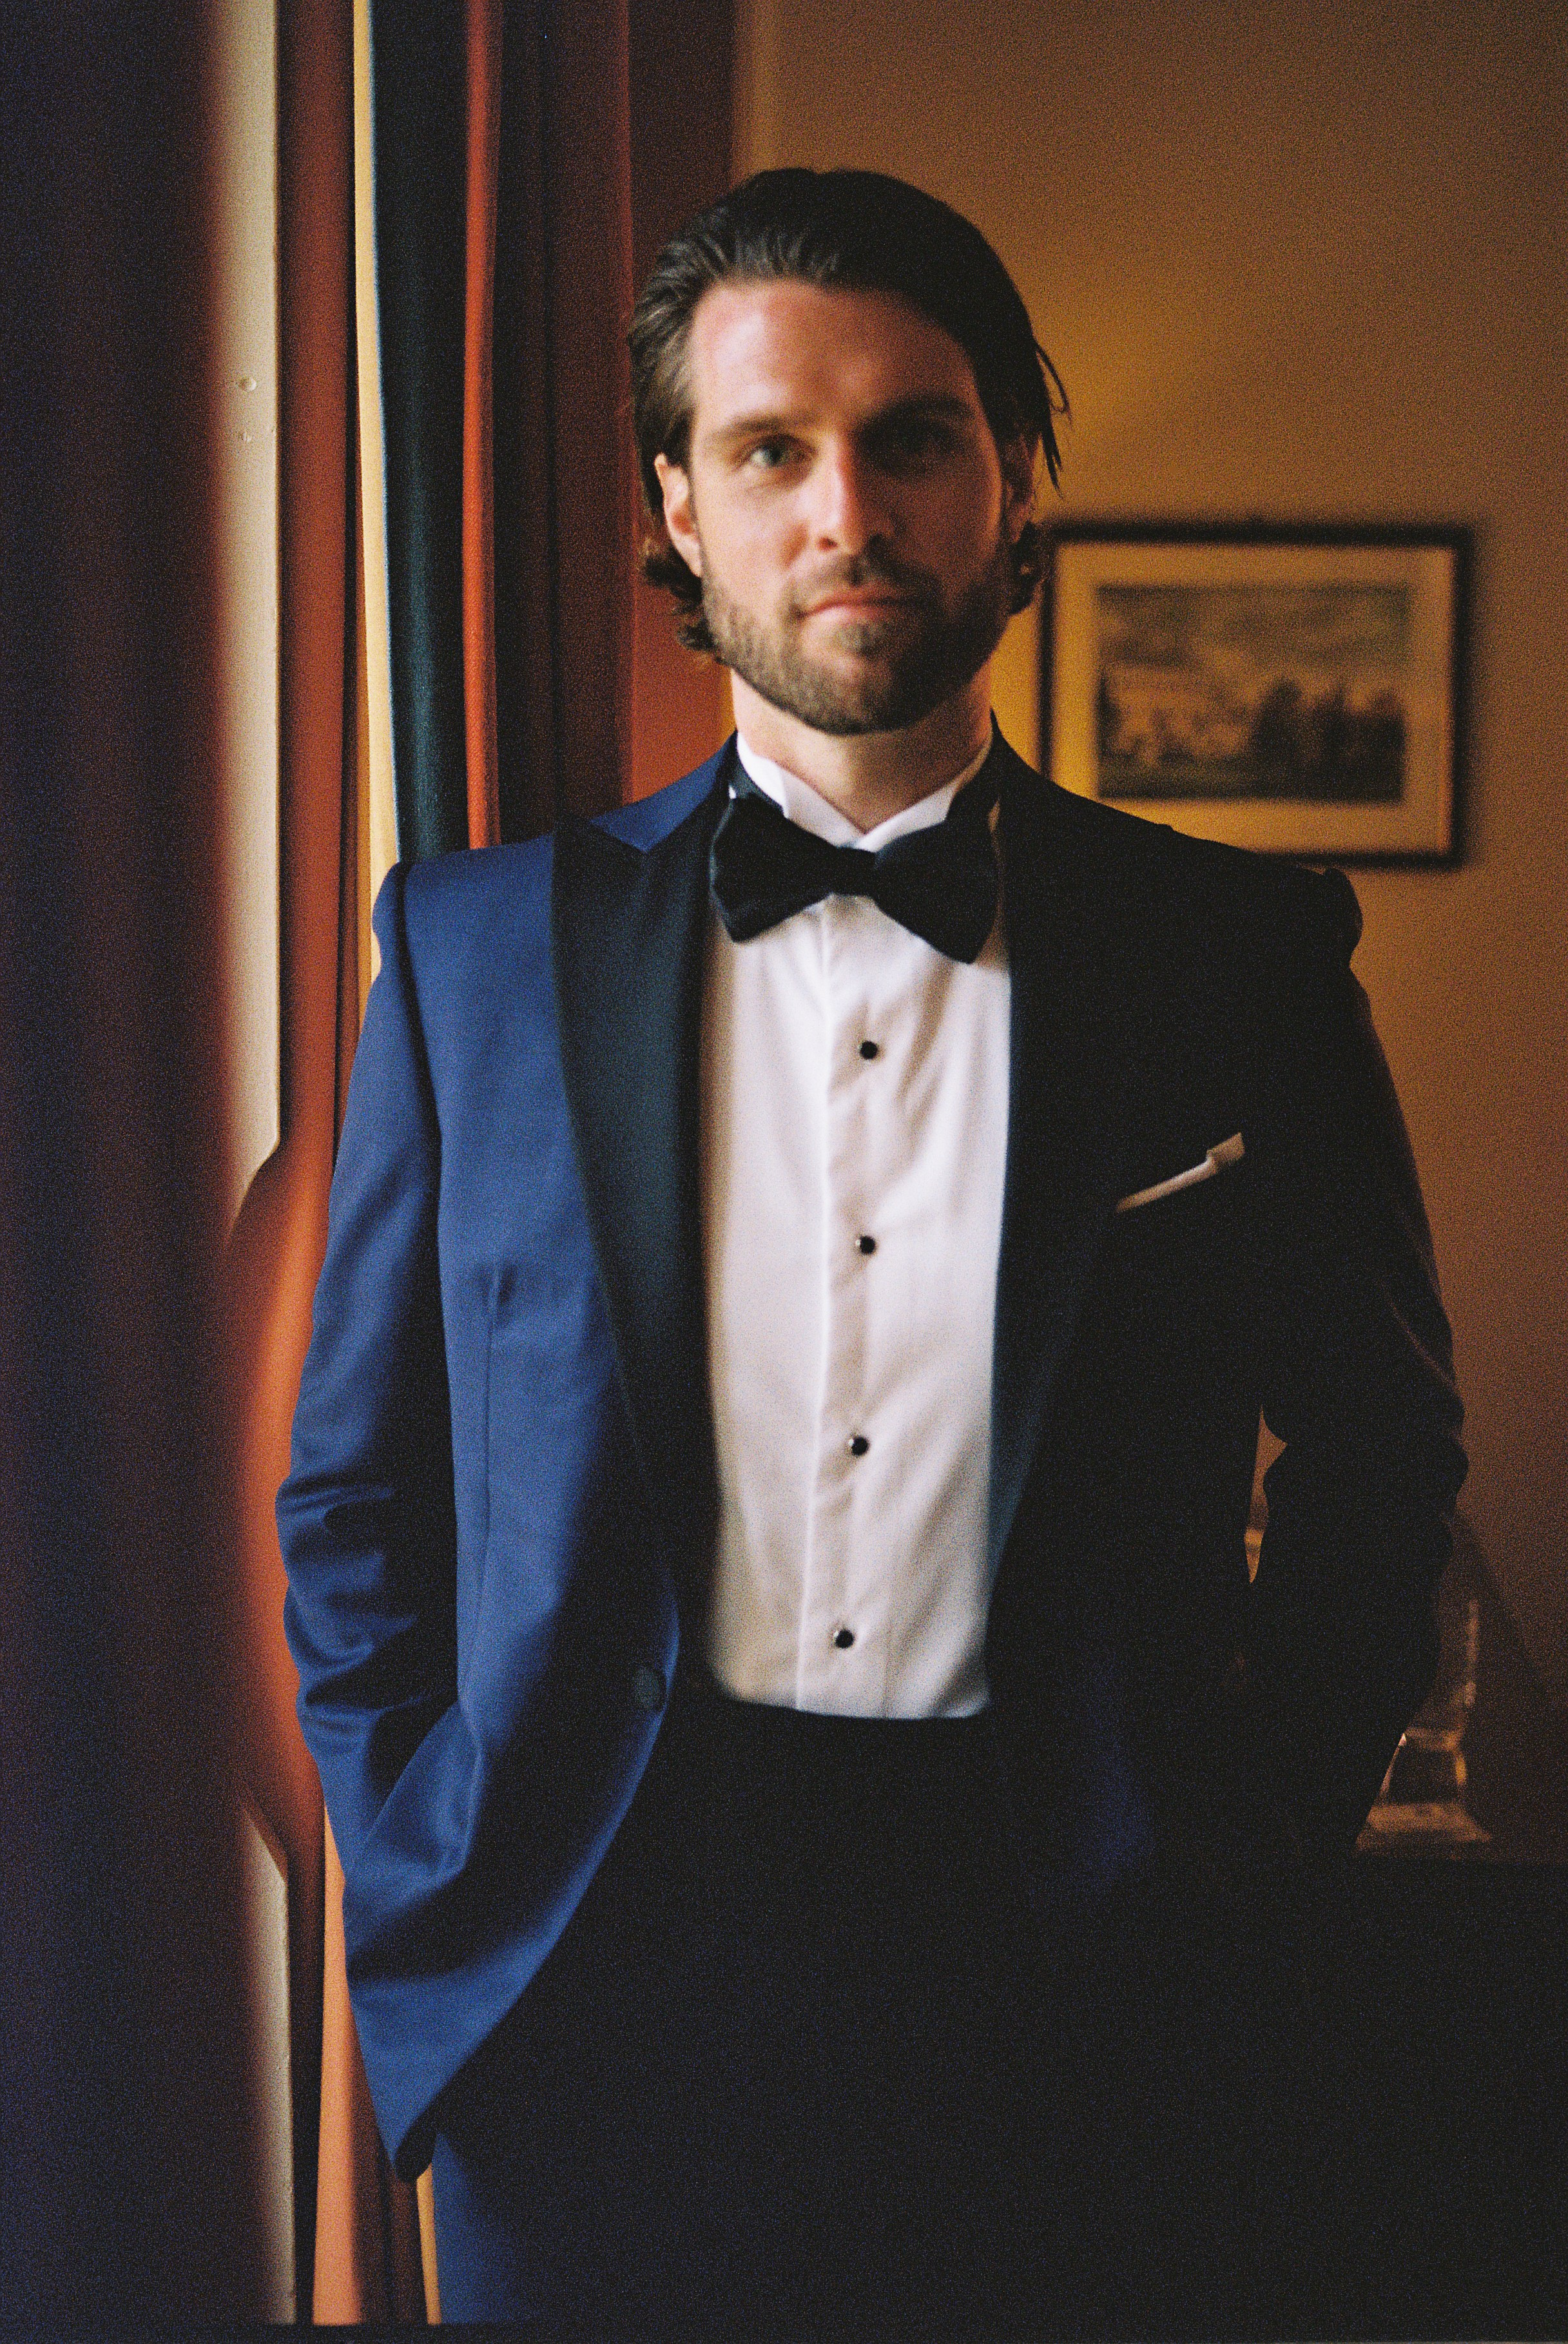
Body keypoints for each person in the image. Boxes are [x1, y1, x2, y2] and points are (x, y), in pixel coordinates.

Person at [280, 168, 1466, 2337]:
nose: (847, 509)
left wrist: (1248, 1850)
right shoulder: (465, 955)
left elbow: (1381, 1457)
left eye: (912, 436)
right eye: (769, 449)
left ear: (1012, 487)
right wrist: (418, 1836)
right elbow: (356, 1492)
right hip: (585, 1991)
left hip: (1088, 1992)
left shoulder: (1242, 955)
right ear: (680, 510)